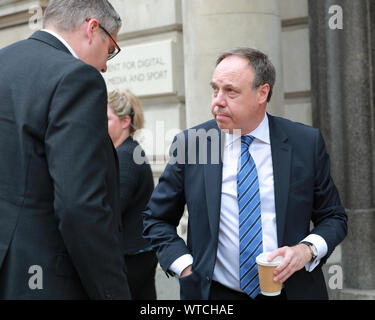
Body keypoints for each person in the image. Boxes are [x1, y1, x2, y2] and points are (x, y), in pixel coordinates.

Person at [143, 47, 348, 300]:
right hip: (215, 295)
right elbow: (156, 219)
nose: (217, 101)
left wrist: (306, 250)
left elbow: (334, 217)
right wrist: (186, 268)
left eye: (231, 91)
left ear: (262, 93)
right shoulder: (192, 145)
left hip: (292, 291)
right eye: (214, 89)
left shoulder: (305, 143)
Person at [0, 0, 131, 299]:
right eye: (110, 49)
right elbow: (79, 205)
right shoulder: (77, 78)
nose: (105, 64)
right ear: (92, 28)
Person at [107, 89, 157, 300]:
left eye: (106, 119)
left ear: (125, 121)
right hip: (141, 252)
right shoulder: (130, 151)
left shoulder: (125, 156)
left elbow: (111, 207)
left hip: (131, 256)